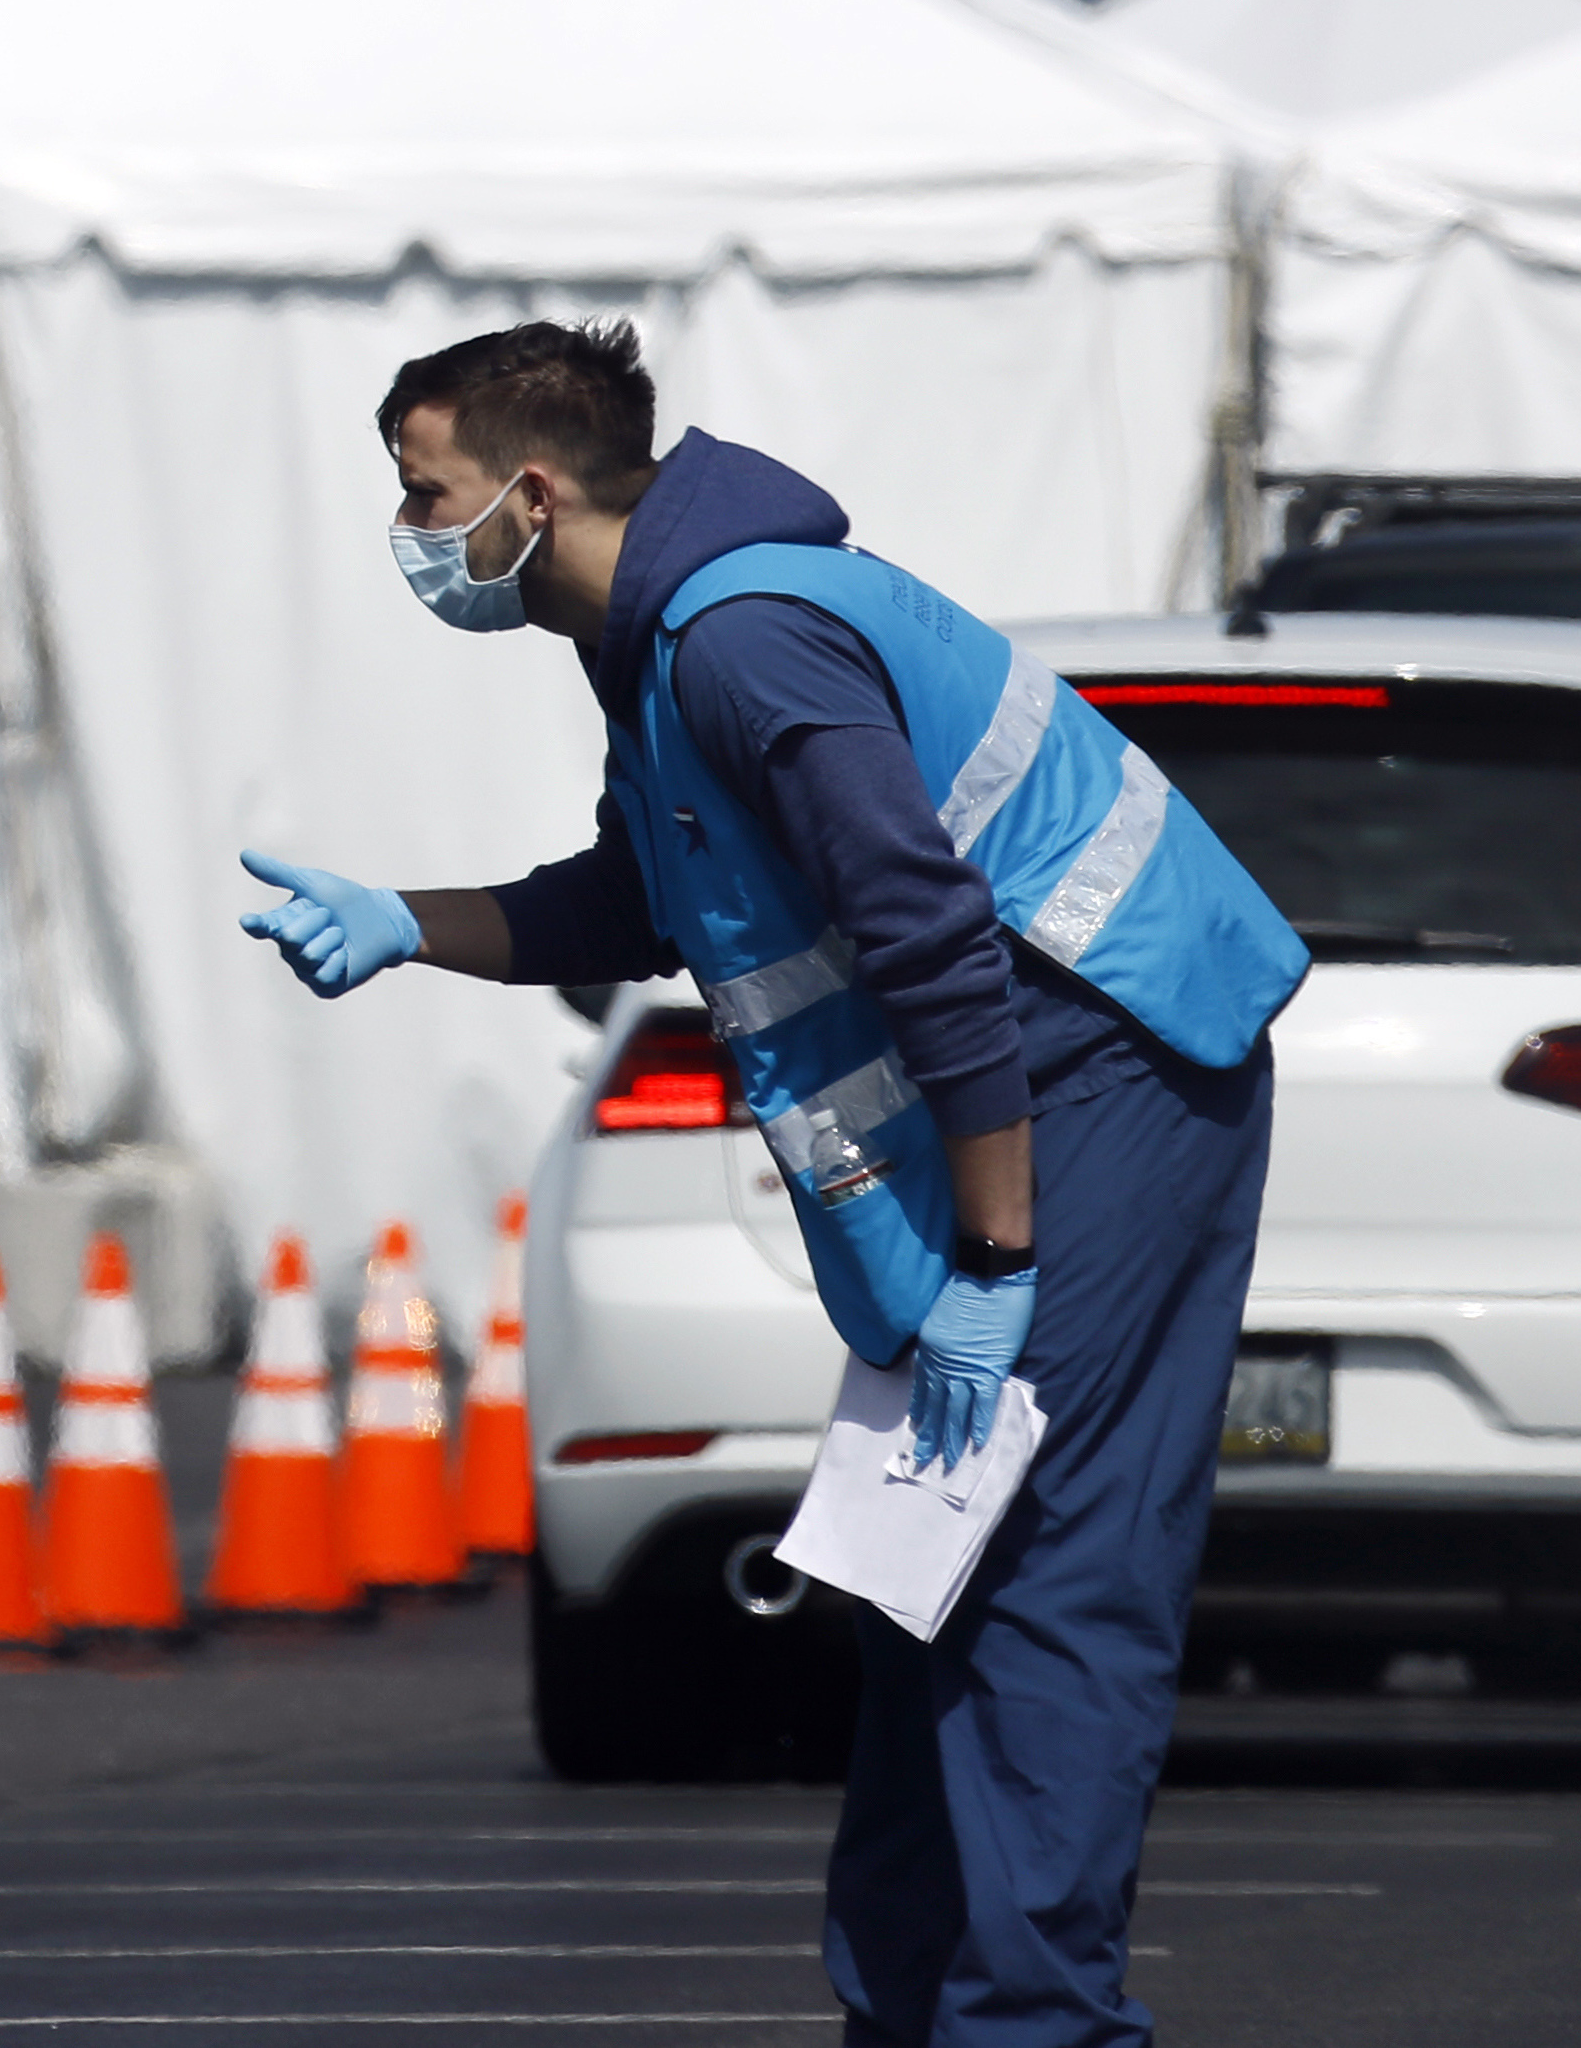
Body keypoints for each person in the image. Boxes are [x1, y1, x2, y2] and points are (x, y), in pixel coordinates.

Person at [239, 319, 1305, 2048]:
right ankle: (913, 2005)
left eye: (421, 494)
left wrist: (996, 1255)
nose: (412, 534)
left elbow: (932, 937)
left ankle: (1027, 2026)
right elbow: (637, 899)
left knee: (1042, 1572)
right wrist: (406, 924)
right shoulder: (652, 640)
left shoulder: (743, 636)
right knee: (929, 1566)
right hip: (1033, 1098)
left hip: (1105, 1070)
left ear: (529, 489)